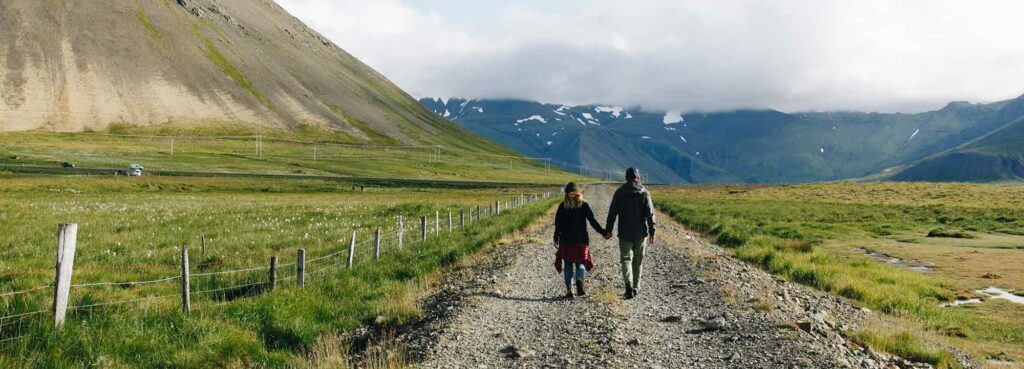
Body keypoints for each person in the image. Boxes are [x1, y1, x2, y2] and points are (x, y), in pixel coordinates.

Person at [604, 167, 656, 299]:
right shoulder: (645, 193)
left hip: (624, 232)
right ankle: (636, 288)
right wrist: (652, 232)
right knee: (638, 261)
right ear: (638, 178)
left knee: (626, 259)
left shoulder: (619, 192)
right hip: (640, 233)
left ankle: (628, 284)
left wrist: (609, 230)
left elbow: (612, 213)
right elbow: (650, 214)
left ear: (626, 178)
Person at [553, 182, 607, 299]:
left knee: (568, 265)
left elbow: (558, 225)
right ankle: (579, 280)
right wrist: (603, 232)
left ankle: (570, 290)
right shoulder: (584, 205)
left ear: (566, 194)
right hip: (581, 240)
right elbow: (592, 221)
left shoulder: (562, 206)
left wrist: (555, 239)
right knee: (581, 263)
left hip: (566, 241)